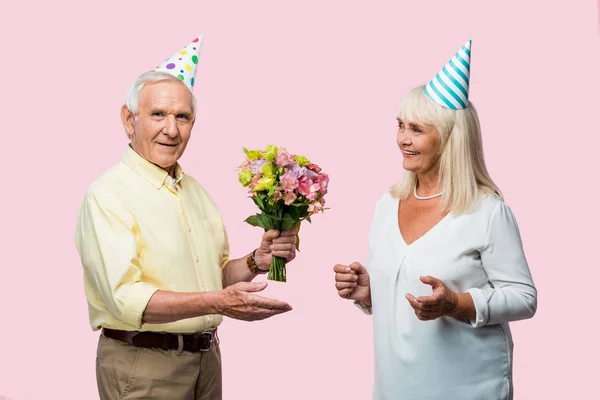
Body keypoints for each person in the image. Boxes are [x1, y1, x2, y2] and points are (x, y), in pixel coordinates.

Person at [74, 36, 297, 400]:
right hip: (142, 365)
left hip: (206, 362)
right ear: (129, 120)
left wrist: (257, 260)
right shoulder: (107, 195)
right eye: (158, 114)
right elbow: (125, 299)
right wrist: (216, 303)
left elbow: (214, 276)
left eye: (183, 117)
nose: (172, 129)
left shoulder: (194, 191)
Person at [333, 40, 537, 400]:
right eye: (400, 125)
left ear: (450, 139)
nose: (402, 140)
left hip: (469, 387)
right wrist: (369, 294)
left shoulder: (486, 212)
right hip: (396, 386)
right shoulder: (386, 205)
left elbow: (524, 297)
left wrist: (456, 303)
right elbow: (399, 296)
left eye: (417, 129)